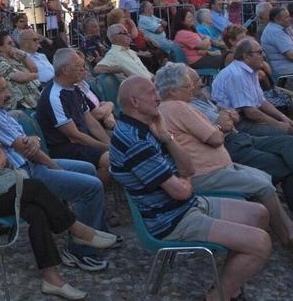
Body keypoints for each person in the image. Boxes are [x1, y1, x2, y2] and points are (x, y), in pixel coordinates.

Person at [0, 68, 116, 300]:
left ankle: (52, 279)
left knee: (36, 210)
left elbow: (0, 158)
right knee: (34, 187)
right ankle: (77, 230)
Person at [110, 74, 272, 301]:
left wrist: (167, 138)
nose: (158, 97)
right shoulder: (133, 141)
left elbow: (188, 169)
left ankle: (228, 285)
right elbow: (181, 190)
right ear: (135, 102)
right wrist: (183, 181)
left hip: (185, 206)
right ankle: (219, 296)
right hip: (170, 220)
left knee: (259, 213)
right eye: (152, 93)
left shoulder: (148, 129)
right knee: (260, 243)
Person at [154, 63, 293, 256]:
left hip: (218, 165)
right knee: (264, 183)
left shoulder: (175, 107)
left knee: (265, 176)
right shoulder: (177, 107)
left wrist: (221, 125)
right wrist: (221, 126)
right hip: (206, 173)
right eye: (187, 87)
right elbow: (215, 137)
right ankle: (290, 236)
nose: (193, 89)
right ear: (172, 91)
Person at [0, 70, 117, 272]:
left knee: (89, 169)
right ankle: (79, 251)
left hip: (35, 163)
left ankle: (97, 230)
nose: (8, 93)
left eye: (7, 87)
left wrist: (34, 141)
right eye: (2, 90)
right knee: (91, 186)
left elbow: (30, 143)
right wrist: (54, 166)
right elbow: (28, 150)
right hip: (28, 172)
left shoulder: (0, 111)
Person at [36, 49, 112, 187]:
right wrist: (107, 148)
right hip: (65, 147)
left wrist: (110, 144)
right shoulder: (54, 96)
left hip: (81, 142)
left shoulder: (74, 88)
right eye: (79, 66)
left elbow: (91, 122)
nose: (83, 69)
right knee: (114, 159)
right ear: (65, 69)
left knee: (118, 153)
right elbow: (75, 136)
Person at [0, 30, 40, 110]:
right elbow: (22, 78)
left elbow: (34, 69)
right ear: (0, 47)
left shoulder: (16, 56)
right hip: (22, 103)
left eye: (13, 42)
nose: (13, 45)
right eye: (9, 43)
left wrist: (24, 55)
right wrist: (35, 75)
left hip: (35, 96)